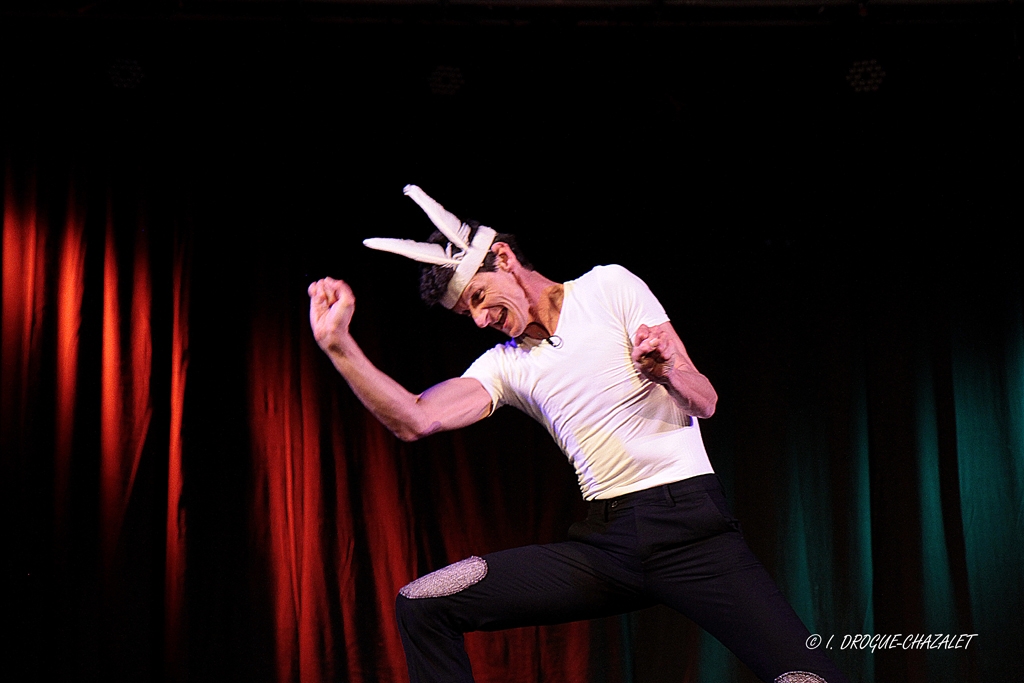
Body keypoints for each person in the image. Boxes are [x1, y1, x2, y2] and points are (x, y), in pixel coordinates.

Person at [308, 185, 849, 683]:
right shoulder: (505, 364)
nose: (476, 319)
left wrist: (668, 371)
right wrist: (338, 346)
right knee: (422, 602)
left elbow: (704, 401)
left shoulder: (608, 286)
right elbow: (414, 418)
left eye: (476, 298)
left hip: (692, 531)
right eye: (464, 312)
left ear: (503, 258)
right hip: (608, 547)